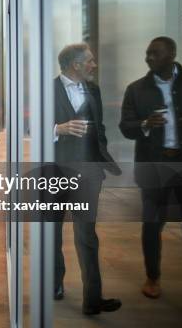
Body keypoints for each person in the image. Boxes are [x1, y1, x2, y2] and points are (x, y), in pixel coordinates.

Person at [119, 36, 182, 320]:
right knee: (152, 224)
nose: (148, 58)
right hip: (155, 167)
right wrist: (145, 124)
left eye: (154, 53)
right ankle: (152, 277)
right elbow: (126, 126)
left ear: (171, 55)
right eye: (147, 54)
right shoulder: (136, 89)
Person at [52, 43, 122, 316]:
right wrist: (59, 128)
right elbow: (29, 128)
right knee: (52, 232)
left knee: (87, 235)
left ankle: (93, 299)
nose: (94, 65)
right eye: (90, 61)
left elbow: (100, 127)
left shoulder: (94, 90)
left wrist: (99, 159)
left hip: (88, 173)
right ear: (75, 64)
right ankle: (54, 283)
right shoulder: (48, 89)